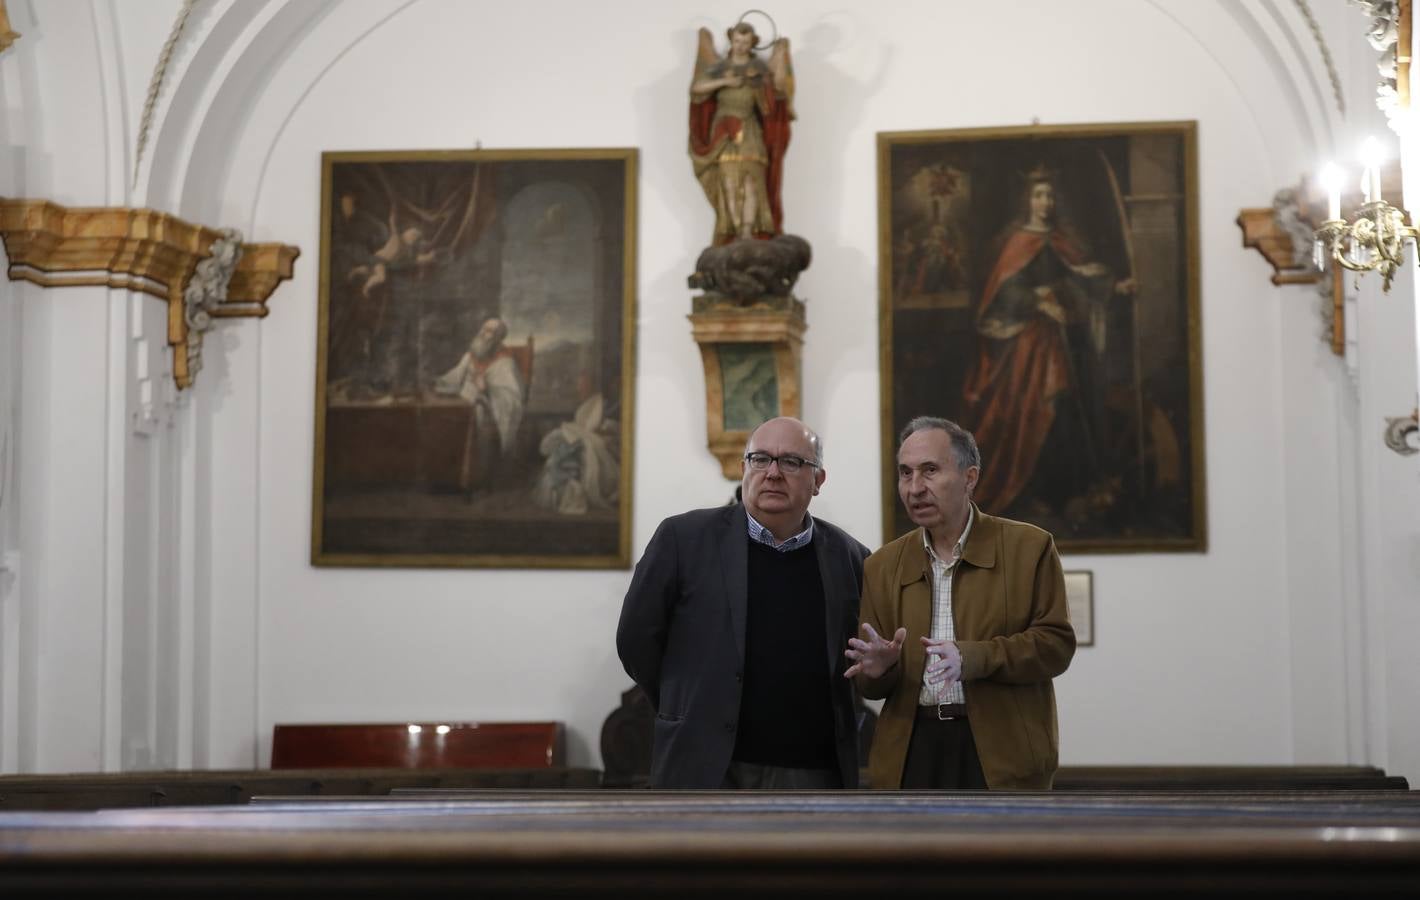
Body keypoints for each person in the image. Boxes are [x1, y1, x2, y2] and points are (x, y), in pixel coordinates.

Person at [617, 417, 869, 788]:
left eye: (792, 462)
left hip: (814, 772)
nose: (773, 473)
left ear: (818, 480)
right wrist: (684, 704)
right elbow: (636, 641)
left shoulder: (851, 557)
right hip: (706, 767)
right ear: (743, 469)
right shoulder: (682, 540)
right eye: (761, 459)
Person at [846, 416, 1075, 790]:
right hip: (911, 752)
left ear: (970, 478)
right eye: (905, 473)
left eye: (930, 471)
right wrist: (878, 669)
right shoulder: (882, 565)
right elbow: (872, 690)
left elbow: (1055, 647)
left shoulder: (1030, 548)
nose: (915, 488)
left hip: (1002, 753)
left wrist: (972, 657)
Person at [961, 166, 1135, 517]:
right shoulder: (1015, 243)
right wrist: (1038, 301)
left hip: (1065, 341)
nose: (1045, 202)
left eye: (1050, 196)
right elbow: (1002, 293)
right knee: (1031, 411)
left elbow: (1080, 276)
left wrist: (1115, 287)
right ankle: (1028, 493)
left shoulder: (1060, 240)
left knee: (1066, 412)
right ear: (1028, 200)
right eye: (1039, 195)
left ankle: (1067, 492)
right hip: (1027, 346)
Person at [689, 22, 794, 246]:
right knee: (727, 181)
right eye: (737, 40)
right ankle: (734, 230)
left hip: (749, 129)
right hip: (724, 131)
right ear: (731, 40)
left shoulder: (759, 69)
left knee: (751, 182)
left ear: (752, 43)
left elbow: (774, 98)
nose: (740, 45)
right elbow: (697, 88)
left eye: (745, 42)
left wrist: (779, 58)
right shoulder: (719, 67)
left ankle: (747, 231)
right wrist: (726, 81)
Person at [432, 316, 525, 492]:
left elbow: (512, 400)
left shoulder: (505, 364)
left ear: (498, 338)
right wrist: (437, 381)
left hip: (486, 411)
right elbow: (452, 378)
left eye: (490, 331)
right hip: (460, 405)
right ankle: (445, 476)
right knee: (439, 414)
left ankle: (472, 480)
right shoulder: (470, 356)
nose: (484, 333)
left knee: (476, 418)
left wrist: (487, 389)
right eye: (483, 328)